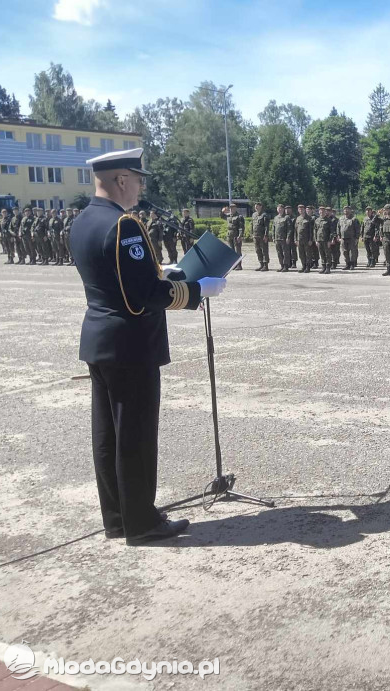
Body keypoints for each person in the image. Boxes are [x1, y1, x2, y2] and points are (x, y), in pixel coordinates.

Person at [71, 147, 227, 545]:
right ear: (121, 179)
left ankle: (119, 518)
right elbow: (142, 295)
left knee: (108, 436)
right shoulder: (124, 224)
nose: (141, 186)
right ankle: (142, 523)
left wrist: (164, 273)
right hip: (131, 344)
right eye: (137, 178)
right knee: (135, 436)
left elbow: (119, 277)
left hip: (101, 339)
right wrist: (195, 289)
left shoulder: (84, 220)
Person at [251, 202, 270, 271]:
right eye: (255, 206)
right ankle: (261, 264)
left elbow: (266, 227)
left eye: (258, 206)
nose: (256, 207)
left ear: (261, 207)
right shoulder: (254, 215)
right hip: (255, 236)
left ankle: (265, 265)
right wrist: (252, 234)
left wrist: (266, 235)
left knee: (264, 250)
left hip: (262, 236)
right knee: (257, 250)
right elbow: (252, 225)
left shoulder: (264, 215)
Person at [295, 205, 313, 273]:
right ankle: (303, 266)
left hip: (307, 239)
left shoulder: (309, 218)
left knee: (308, 254)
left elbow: (311, 230)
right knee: (301, 254)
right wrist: (295, 239)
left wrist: (311, 239)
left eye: (302, 209)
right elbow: (295, 230)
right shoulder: (298, 218)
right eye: (299, 209)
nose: (301, 210)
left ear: (304, 209)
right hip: (299, 239)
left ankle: (308, 267)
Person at [272, 204, 288, 272]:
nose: (279, 210)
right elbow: (273, 228)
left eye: (281, 208)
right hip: (277, 238)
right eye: (278, 208)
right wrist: (273, 237)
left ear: (283, 209)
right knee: (279, 252)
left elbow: (289, 229)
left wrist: (288, 237)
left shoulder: (286, 217)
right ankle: (281, 265)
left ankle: (286, 266)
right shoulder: (276, 218)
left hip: (284, 238)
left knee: (285, 252)